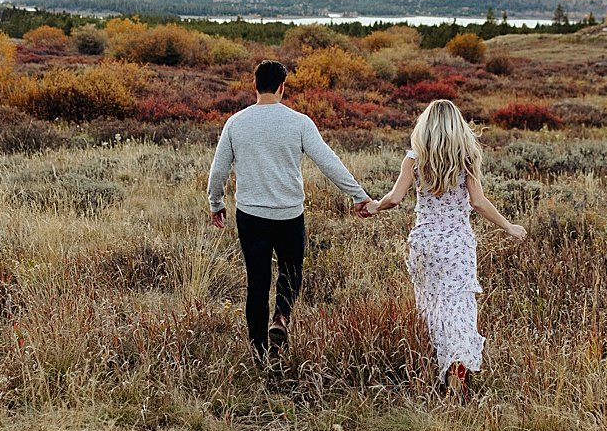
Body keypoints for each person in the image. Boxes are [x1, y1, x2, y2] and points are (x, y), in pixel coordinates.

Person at [208, 60, 373, 361]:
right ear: (283, 87)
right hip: (289, 214)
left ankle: (259, 352)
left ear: (254, 85)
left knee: (257, 282)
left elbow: (218, 170)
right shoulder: (299, 122)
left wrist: (216, 202)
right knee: (291, 271)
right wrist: (357, 195)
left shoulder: (236, 123)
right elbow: (328, 162)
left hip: (251, 215)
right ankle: (281, 316)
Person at [364, 98, 526, 398]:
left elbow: (396, 198)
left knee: (432, 308)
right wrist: (508, 226)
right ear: (457, 126)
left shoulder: (415, 158)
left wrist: (375, 206)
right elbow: (478, 202)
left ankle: (442, 369)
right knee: (460, 310)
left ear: (426, 127)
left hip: (424, 244)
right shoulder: (466, 158)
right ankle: (456, 369)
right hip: (456, 247)